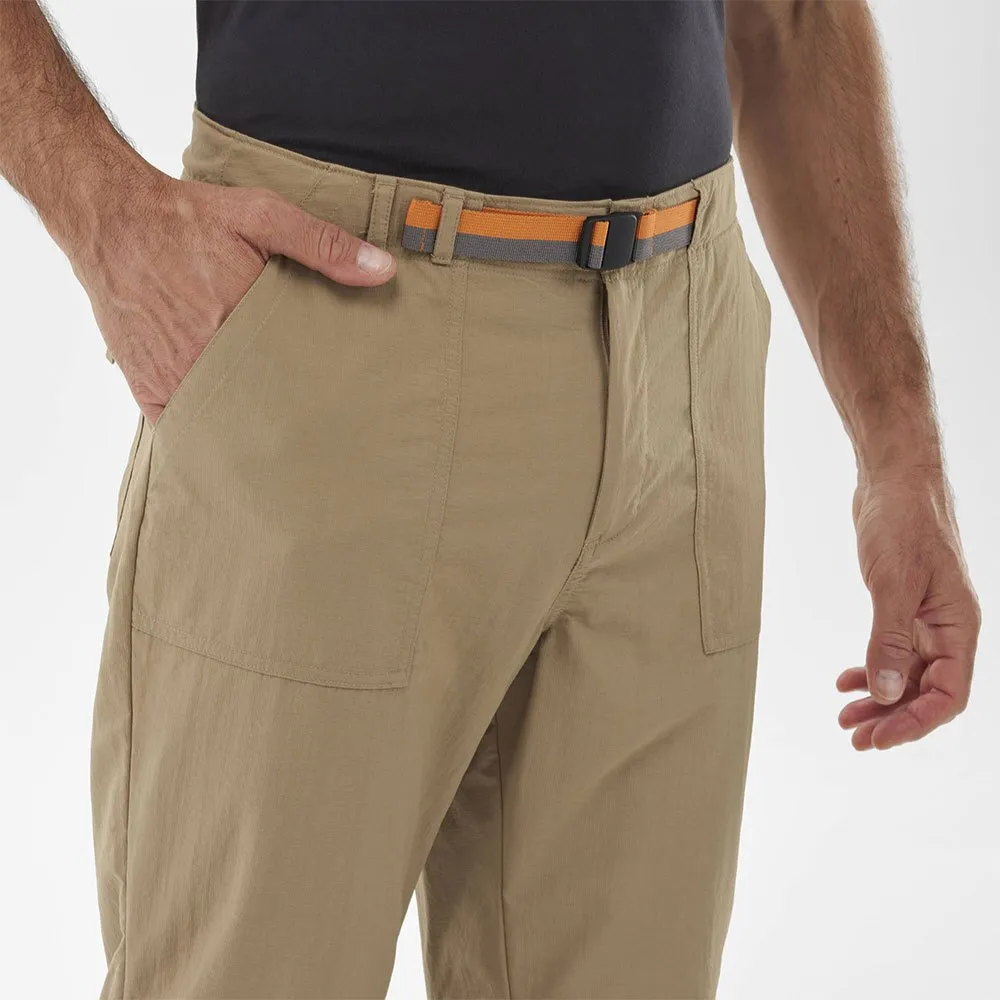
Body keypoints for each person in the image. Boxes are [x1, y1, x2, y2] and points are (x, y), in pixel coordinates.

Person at [0, 2, 981, 998]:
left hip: (682, 360)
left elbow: (796, 20)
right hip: (333, 331)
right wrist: (110, 219)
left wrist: (899, 450)